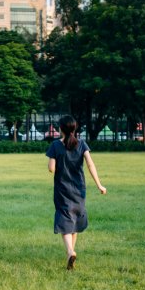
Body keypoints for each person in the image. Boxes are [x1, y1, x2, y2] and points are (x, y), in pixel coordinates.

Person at [46, 115, 106, 270]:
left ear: (61, 129)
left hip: (62, 189)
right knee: (75, 219)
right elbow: (91, 165)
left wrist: (55, 162)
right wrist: (99, 185)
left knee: (64, 218)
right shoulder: (82, 144)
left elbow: (51, 169)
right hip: (79, 189)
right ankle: (69, 255)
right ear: (74, 128)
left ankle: (70, 251)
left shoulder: (55, 145)